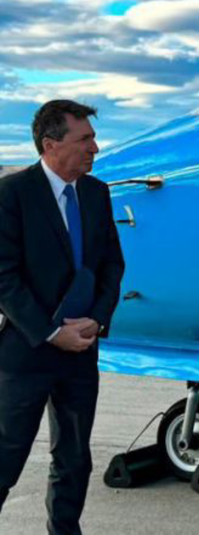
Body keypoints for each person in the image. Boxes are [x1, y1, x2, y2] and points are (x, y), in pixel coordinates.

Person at [0, 100, 125, 535]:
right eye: (85, 139)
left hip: (80, 353)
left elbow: (112, 264)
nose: (95, 147)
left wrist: (97, 319)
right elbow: (4, 278)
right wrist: (52, 331)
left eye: (93, 137)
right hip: (27, 351)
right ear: (51, 144)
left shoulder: (96, 193)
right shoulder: (12, 194)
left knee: (74, 459)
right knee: (7, 456)